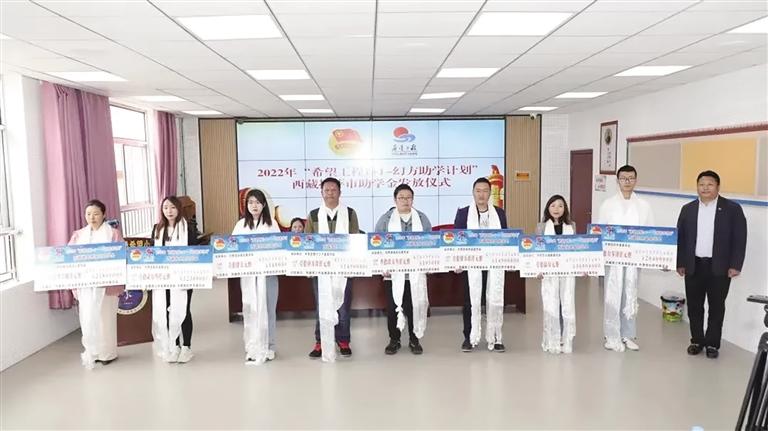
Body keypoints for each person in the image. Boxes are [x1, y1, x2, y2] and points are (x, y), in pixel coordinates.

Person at [676, 170, 747, 359]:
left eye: (710, 184)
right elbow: (681, 238)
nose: (705, 188)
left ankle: (713, 344)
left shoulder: (732, 209)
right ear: (697, 187)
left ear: (718, 186)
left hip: (720, 267)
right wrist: (680, 262)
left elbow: (740, 239)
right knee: (694, 306)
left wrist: (735, 265)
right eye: (701, 184)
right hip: (694, 265)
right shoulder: (688, 209)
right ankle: (697, 340)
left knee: (716, 307)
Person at [596, 165, 654, 352]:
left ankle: (627, 335)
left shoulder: (644, 206)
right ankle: (611, 334)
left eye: (631, 178)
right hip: (613, 259)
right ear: (618, 181)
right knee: (612, 296)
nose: (627, 182)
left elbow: (650, 233)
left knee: (630, 295)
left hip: (633, 259)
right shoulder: (608, 204)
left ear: (636, 180)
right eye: (623, 178)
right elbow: (599, 231)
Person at [305, 177, 360, 361]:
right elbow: (307, 241)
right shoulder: (313, 215)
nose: (330, 193)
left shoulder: (350, 213)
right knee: (322, 305)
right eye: (327, 190)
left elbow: (355, 239)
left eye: (333, 190)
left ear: (339, 192)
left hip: (343, 268)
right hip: (320, 268)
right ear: (322, 193)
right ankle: (320, 341)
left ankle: (343, 340)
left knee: (343, 306)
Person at [374, 184, 432, 355]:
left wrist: (430, 264)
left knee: (415, 307)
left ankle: (415, 340)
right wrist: (381, 266)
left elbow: (431, 244)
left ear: (413, 199)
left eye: (409, 198)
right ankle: (394, 340)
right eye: (401, 198)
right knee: (393, 308)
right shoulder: (385, 219)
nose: (405, 201)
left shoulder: (422, 218)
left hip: (416, 274)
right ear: (395, 200)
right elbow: (377, 244)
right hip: (393, 274)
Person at [454, 177, 508, 352]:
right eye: (478, 191)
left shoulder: (499, 213)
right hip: (471, 265)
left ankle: (496, 337)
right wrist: (457, 261)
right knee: (470, 301)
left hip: (494, 265)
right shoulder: (463, 213)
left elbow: (505, 238)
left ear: (490, 193)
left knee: (495, 299)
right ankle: (469, 337)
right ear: (473, 192)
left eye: (485, 191)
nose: (481, 194)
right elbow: (457, 239)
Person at [68, 199, 123, 370]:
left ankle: (107, 354)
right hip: (86, 285)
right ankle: (92, 351)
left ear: (104, 215)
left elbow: (120, 256)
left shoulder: (113, 234)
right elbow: (69, 257)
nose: (92, 217)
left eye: (96, 214)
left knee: (105, 319)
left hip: (107, 285)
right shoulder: (78, 235)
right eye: (88, 214)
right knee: (88, 318)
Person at [232, 189, 281, 364]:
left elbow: (279, 247)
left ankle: (269, 346)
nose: (254, 206)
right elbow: (232, 248)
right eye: (251, 202)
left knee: (268, 309)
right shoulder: (240, 225)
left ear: (264, 205)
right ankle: (252, 346)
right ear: (246, 205)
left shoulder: (272, 224)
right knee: (250, 309)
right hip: (248, 275)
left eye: (258, 202)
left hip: (268, 275)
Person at [151, 196, 199, 364]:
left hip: (183, 277)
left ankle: (186, 347)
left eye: (172, 207)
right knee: (168, 310)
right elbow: (152, 253)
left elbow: (195, 253)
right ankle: (174, 345)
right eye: (165, 208)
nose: (169, 211)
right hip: (164, 278)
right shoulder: (157, 229)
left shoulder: (188, 228)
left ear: (178, 209)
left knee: (183, 309)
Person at [536, 195, 577, 354]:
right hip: (549, 272)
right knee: (551, 303)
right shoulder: (541, 227)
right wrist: (537, 269)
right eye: (553, 205)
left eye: (560, 205)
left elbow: (578, 248)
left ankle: (565, 339)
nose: (556, 209)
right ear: (548, 208)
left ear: (564, 209)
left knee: (566, 303)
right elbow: (537, 250)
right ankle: (553, 337)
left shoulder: (571, 226)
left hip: (567, 272)